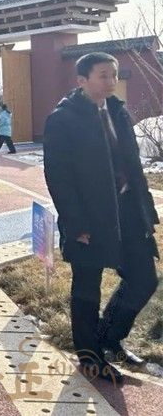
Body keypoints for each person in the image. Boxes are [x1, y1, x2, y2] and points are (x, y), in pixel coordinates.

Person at [43, 52, 159, 383]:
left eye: (114, 75)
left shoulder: (118, 111)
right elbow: (58, 177)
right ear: (82, 80)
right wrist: (75, 223)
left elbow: (134, 167)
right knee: (87, 289)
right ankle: (90, 355)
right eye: (103, 75)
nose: (111, 81)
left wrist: (146, 210)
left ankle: (110, 337)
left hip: (128, 210)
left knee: (144, 278)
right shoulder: (63, 119)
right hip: (89, 217)